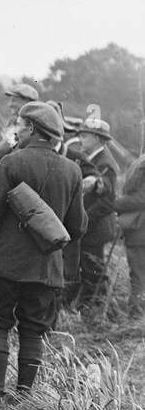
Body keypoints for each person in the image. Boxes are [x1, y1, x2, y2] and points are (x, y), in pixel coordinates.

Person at [0, 101, 86, 406]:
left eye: (20, 125)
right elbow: (77, 227)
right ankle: (25, 397)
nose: (16, 130)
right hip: (45, 269)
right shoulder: (72, 170)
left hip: (4, 265)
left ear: (32, 129)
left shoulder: (12, 162)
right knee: (33, 331)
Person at [75, 117, 119, 315]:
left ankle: (100, 310)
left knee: (94, 268)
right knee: (89, 266)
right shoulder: (92, 159)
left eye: (85, 136)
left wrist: (84, 218)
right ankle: (94, 308)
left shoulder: (105, 163)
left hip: (96, 227)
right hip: (90, 226)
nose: (80, 139)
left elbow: (108, 202)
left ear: (98, 139)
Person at [114, 151, 145, 317]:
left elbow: (141, 198)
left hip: (140, 230)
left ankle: (137, 314)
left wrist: (115, 203)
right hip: (137, 231)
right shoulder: (141, 162)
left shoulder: (142, 163)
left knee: (139, 274)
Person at [0, 82, 40, 166]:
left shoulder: (30, 125)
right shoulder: (13, 121)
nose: (10, 104)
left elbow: (7, 145)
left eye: (14, 100)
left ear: (26, 102)